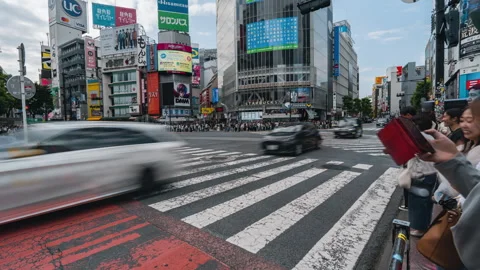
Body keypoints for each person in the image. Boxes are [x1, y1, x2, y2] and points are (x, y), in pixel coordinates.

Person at [399, 106, 417, 211]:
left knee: (409, 182)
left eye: (404, 116)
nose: (402, 118)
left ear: (409, 115)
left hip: (411, 160)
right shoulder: (414, 125)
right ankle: (409, 204)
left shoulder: (412, 126)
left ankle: (408, 205)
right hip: (411, 160)